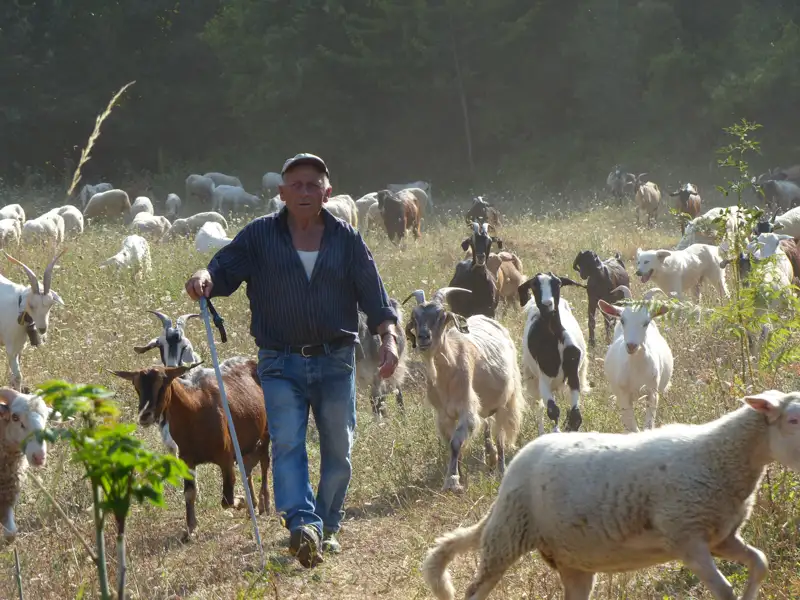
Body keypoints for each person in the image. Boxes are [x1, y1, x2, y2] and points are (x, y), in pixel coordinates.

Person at [185, 153, 399, 568]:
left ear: (327, 192)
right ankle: (303, 524)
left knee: (339, 449)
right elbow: (221, 271)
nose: (304, 191)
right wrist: (204, 276)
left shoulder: (347, 239)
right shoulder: (259, 236)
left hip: (336, 360)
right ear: (282, 193)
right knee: (287, 442)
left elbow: (375, 296)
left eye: (312, 184)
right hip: (280, 362)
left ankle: (328, 524)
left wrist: (388, 339)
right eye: (296, 185)